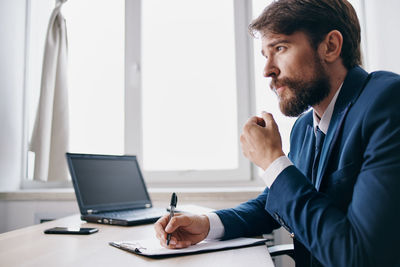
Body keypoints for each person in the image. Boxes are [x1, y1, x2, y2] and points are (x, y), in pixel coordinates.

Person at [154, 0, 400, 266]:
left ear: (330, 46)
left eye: (280, 48)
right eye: (265, 55)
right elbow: (275, 200)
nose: (267, 70)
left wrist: (273, 161)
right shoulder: (305, 128)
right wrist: (207, 224)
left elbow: (360, 255)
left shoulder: (387, 102)